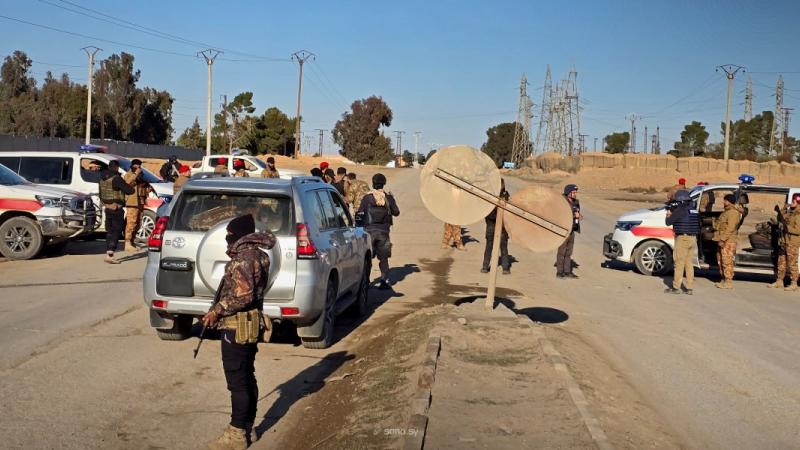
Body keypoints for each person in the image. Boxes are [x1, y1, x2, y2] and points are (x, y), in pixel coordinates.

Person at [201, 214, 275, 450]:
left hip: (238, 325)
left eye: (230, 234)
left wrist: (218, 310)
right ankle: (247, 426)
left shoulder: (244, 259)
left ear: (240, 235)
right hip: (249, 323)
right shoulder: (258, 255)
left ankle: (236, 434)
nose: (227, 238)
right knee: (246, 376)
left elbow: (243, 295)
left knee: (238, 381)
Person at [357, 173, 400, 289]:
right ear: (384, 183)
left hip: (369, 232)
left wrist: (358, 229)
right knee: (384, 258)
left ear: (373, 183)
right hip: (383, 232)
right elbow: (396, 212)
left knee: (367, 258)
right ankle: (384, 280)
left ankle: (365, 281)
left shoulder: (367, 198)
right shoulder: (388, 197)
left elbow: (360, 213)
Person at [664, 190, 700, 295]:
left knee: (679, 263)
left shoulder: (680, 210)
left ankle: (676, 288)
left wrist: (668, 214)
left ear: (680, 200)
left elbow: (668, 222)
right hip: (693, 239)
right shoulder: (693, 210)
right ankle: (689, 288)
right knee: (689, 264)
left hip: (682, 239)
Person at [99, 160, 133, 264]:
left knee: (109, 231)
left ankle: (108, 254)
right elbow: (130, 190)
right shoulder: (116, 178)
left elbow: (101, 193)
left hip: (107, 207)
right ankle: (110, 254)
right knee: (116, 231)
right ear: (117, 167)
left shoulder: (102, 178)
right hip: (116, 208)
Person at [769, 193, 800, 290]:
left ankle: (794, 283)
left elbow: (798, 230)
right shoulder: (790, 213)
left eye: (794, 201)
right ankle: (779, 281)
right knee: (781, 262)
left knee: (792, 264)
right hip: (784, 241)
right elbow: (780, 218)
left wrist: (786, 228)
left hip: (792, 242)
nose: (791, 202)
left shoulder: (799, 215)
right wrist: (783, 209)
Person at [712, 194, 742, 289]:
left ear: (729, 201)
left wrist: (723, 239)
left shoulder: (733, 213)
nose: (723, 202)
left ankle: (728, 282)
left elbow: (730, 228)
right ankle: (724, 279)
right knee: (721, 260)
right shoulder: (726, 212)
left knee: (727, 261)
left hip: (728, 241)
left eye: (725, 200)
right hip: (722, 239)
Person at [481, 180, 510, 274]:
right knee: (489, 246)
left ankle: (505, 268)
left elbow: (508, 212)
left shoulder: (505, 196)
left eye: (502, 185)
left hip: (502, 226)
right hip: (491, 224)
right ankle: (485, 266)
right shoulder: (490, 196)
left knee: (503, 247)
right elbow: (487, 213)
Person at [123, 159, 151, 252]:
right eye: (136, 166)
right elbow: (127, 183)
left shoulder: (141, 176)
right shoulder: (129, 174)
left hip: (140, 201)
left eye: (139, 166)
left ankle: (132, 241)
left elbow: (142, 186)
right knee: (131, 222)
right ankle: (127, 242)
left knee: (138, 223)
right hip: (132, 202)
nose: (138, 168)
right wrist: (135, 174)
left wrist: (147, 189)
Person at [556, 184, 581, 279]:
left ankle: (567, 271)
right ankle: (559, 272)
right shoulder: (562, 202)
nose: (575, 194)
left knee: (569, 252)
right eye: (573, 192)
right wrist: (574, 216)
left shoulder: (575, 202)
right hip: (564, 229)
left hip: (572, 229)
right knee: (562, 252)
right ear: (568, 192)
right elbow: (561, 214)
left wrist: (579, 216)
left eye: (575, 192)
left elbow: (577, 212)